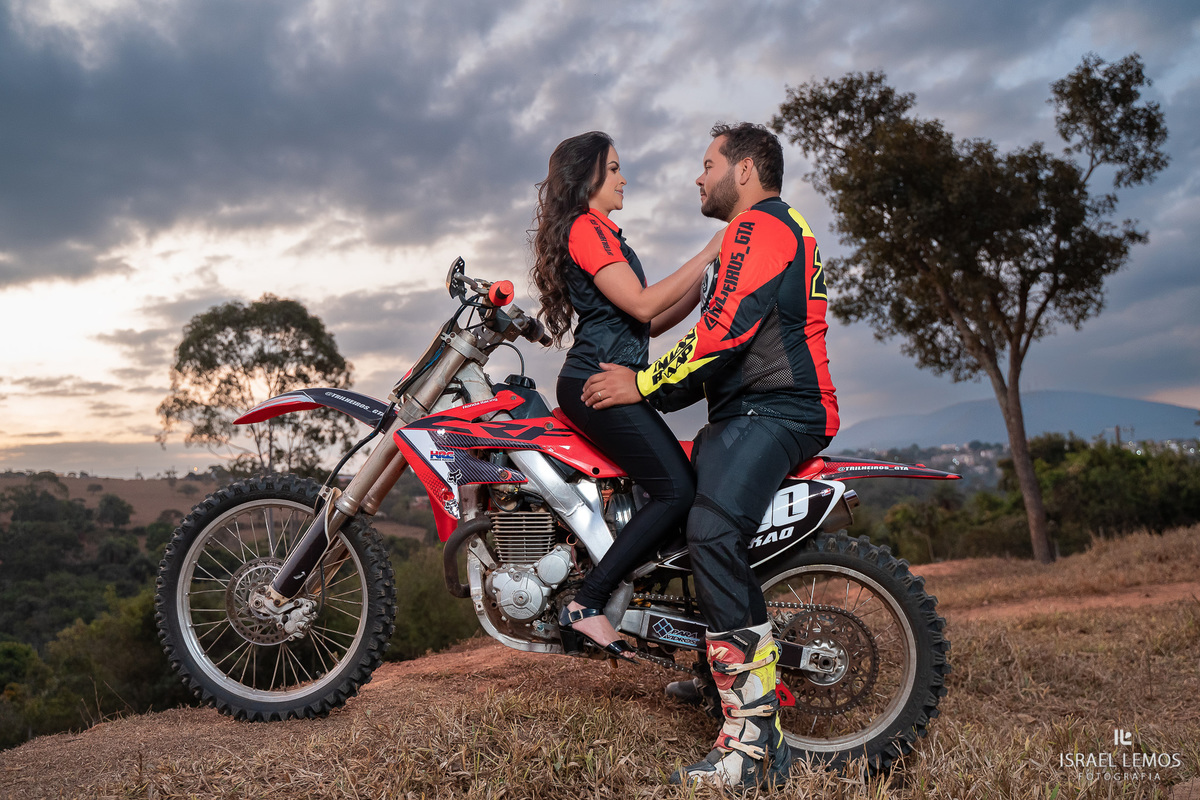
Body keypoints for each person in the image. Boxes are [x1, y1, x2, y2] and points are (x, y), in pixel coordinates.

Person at [582, 122, 839, 789]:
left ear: (745, 170)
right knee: (677, 515)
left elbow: (720, 335)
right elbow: (708, 330)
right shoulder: (764, 233)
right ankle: (713, 672)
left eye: (707, 164)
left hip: (777, 410)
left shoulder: (762, 228)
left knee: (712, 531)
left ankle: (753, 745)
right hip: (746, 413)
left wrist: (638, 385)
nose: (698, 178)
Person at [529, 131, 722, 660]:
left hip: (617, 377)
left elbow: (650, 322)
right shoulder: (587, 230)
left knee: (674, 488)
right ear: (587, 177)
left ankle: (617, 598)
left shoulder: (606, 235)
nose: (623, 178)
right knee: (676, 491)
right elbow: (640, 304)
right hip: (597, 382)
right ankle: (586, 605)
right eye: (613, 169)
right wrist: (709, 251)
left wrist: (700, 291)